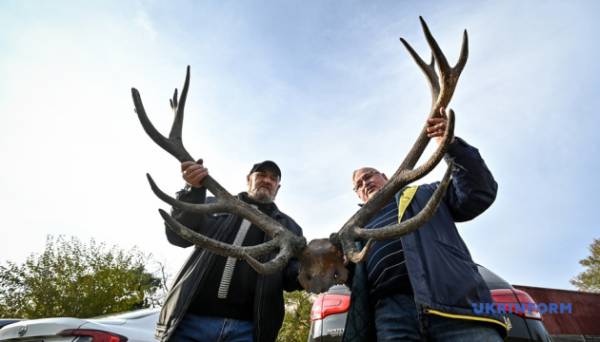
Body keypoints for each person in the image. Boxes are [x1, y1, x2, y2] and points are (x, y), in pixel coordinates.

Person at [343, 108, 507, 341]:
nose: (365, 183)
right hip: (391, 316)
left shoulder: (425, 194)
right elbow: (353, 278)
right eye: (358, 184)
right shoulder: (354, 232)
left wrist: (451, 147)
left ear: (385, 176)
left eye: (369, 175)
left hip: (453, 304)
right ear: (358, 195)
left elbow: (478, 193)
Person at [155, 160, 304, 342]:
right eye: (261, 175)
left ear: (277, 188)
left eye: (273, 178)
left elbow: (291, 276)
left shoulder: (290, 228)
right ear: (248, 179)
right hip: (190, 321)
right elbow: (177, 236)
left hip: (247, 330)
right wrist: (193, 191)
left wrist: (313, 270)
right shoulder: (211, 205)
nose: (267, 180)